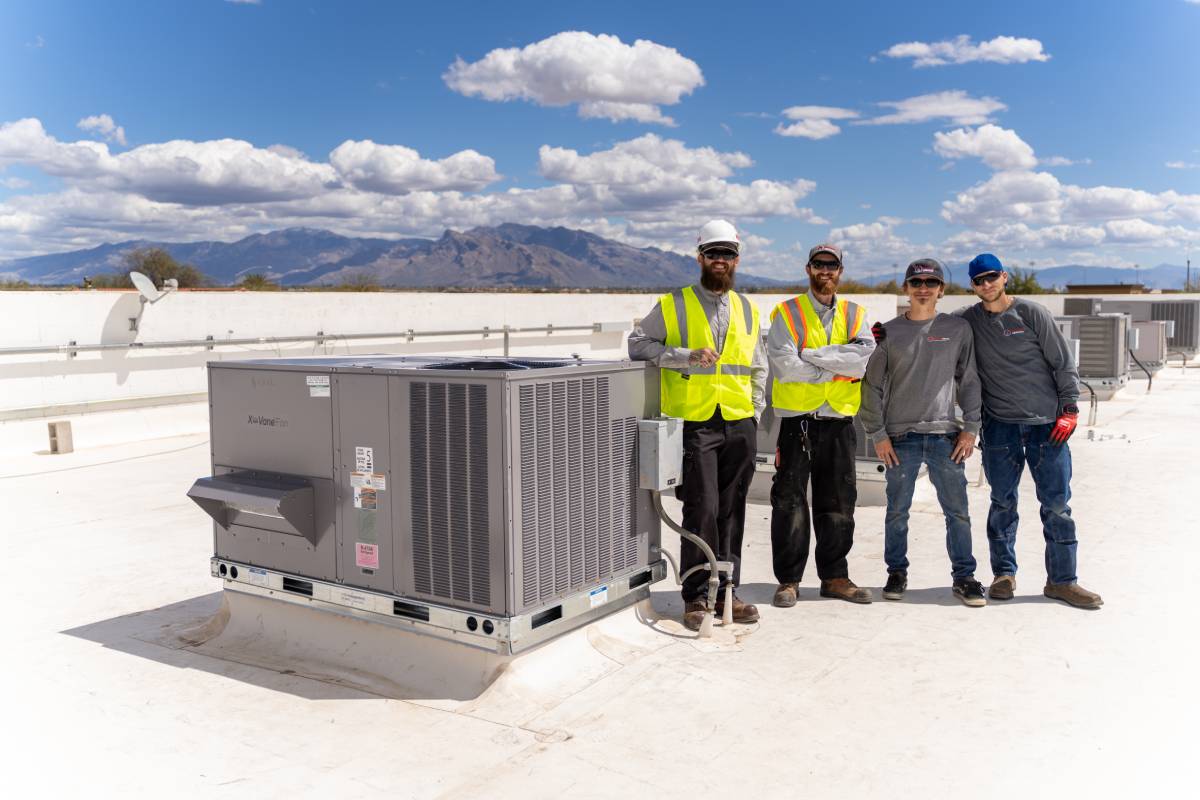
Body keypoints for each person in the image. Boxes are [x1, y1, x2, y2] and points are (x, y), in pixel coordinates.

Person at [628, 219, 768, 630]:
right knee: (701, 507)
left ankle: (727, 590)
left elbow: (758, 367)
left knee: (732, 510)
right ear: (700, 257)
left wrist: (754, 413)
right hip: (696, 424)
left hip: (739, 422)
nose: (720, 261)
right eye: (713, 253)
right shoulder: (674, 304)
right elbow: (638, 345)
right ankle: (695, 596)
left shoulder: (746, 308)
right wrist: (683, 355)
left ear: (736, 259)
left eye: (727, 254)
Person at [957, 253, 1103, 609]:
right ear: (973, 286)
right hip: (1000, 428)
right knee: (1002, 503)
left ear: (1004, 277)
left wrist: (1069, 408)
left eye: (991, 276)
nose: (986, 284)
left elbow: (1063, 363)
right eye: (979, 280)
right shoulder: (968, 321)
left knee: (1056, 506)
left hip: (1047, 428)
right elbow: (930, 328)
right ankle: (1004, 575)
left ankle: (1063, 581)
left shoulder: (1031, 313)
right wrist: (884, 334)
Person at [859, 259, 985, 606]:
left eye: (931, 282)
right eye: (916, 282)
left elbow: (970, 380)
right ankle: (896, 573)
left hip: (947, 436)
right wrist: (878, 434)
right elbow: (871, 387)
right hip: (901, 439)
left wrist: (971, 428)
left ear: (941, 290)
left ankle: (965, 577)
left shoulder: (958, 329)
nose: (923, 288)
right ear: (906, 288)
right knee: (897, 512)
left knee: (957, 512)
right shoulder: (888, 332)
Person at [767, 243, 875, 607]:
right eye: (819, 264)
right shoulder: (787, 312)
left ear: (840, 271)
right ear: (808, 268)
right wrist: (835, 363)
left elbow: (861, 360)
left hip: (839, 422)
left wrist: (811, 357)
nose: (825, 271)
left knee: (839, 502)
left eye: (832, 265)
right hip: (798, 421)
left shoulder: (855, 313)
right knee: (789, 502)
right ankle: (789, 581)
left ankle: (835, 577)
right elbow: (785, 365)